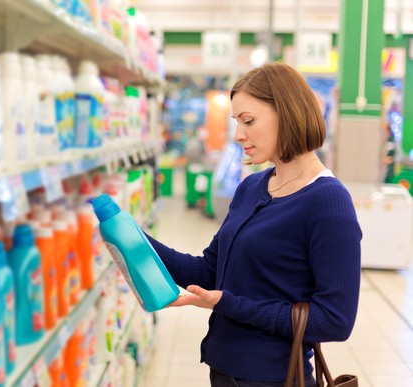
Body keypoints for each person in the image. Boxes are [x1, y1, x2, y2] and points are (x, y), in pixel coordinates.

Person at [146, 62, 362, 387]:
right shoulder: (251, 187)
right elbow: (210, 271)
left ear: (287, 114)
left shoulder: (328, 202)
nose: (238, 135)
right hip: (222, 370)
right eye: (236, 121)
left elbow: (335, 321)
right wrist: (134, 240)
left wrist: (229, 305)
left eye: (248, 120)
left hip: (275, 377)